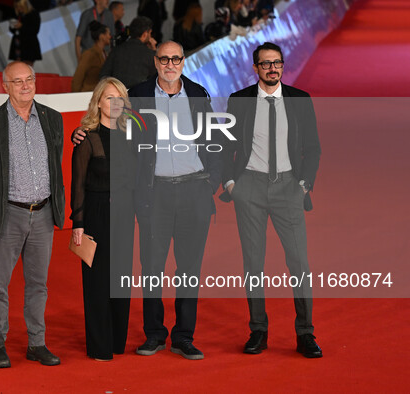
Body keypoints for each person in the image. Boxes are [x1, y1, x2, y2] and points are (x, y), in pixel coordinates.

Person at [219, 42, 323, 358]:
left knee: (300, 264)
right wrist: (231, 183)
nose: (272, 69)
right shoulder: (239, 101)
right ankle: (258, 331)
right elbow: (225, 146)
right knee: (253, 263)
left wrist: (304, 185)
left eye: (276, 63)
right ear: (255, 68)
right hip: (249, 187)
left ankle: (305, 333)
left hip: (289, 188)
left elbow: (313, 148)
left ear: (282, 65)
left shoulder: (300, 100)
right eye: (265, 64)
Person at [129, 41, 221, 360]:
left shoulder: (198, 94)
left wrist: (211, 182)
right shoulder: (137, 94)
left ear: (184, 62)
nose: (170, 64)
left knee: (189, 268)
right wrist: (83, 133)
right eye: (164, 58)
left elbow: (216, 139)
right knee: (152, 266)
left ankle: (183, 335)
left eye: (176, 59)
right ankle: (154, 334)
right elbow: (118, 134)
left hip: (194, 191)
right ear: (155, 62)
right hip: (155, 193)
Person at [0, 61, 65, 368]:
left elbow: (56, 166)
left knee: (38, 284)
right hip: (8, 214)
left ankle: (36, 344)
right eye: (18, 81)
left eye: (29, 79)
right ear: (5, 86)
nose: (25, 85)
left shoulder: (53, 120)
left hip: (43, 214)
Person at [71, 77, 135, 361]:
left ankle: (117, 340)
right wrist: (78, 224)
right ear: (98, 102)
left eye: (119, 97)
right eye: (109, 97)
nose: (115, 103)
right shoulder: (87, 137)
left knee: (121, 278)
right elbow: (78, 184)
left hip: (124, 212)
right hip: (96, 212)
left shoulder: (132, 133)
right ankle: (100, 345)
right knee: (97, 280)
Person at [99, 16, 157, 90]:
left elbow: (103, 75)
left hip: (118, 97)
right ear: (145, 34)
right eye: (150, 33)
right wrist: (154, 50)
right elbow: (157, 79)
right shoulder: (149, 54)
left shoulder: (116, 50)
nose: (150, 36)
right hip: (140, 98)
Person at [71, 21, 110, 92]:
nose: (110, 37)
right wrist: (75, 97)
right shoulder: (89, 54)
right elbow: (78, 77)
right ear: (102, 36)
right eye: (108, 34)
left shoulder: (104, 54)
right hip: (88, 94)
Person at [8, 0, 42, 66]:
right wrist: (13, 26)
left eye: (21, 7)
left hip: (29, 44)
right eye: (17, 7)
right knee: (18, 66)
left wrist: (22, 26)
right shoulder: (17, 15)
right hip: (18, 43)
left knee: (28, 66)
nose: (19, 9)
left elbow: (35, 30)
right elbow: (12, 30)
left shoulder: (33, 14)